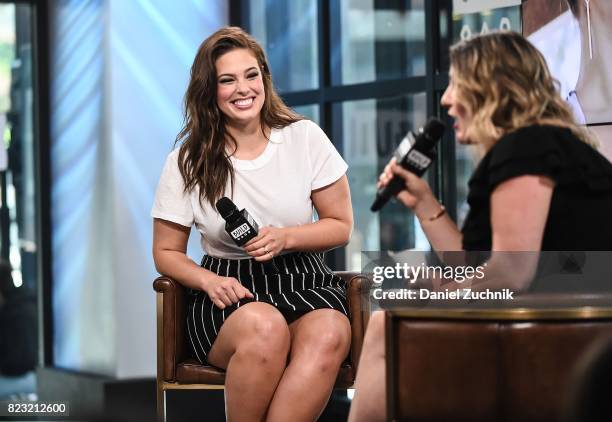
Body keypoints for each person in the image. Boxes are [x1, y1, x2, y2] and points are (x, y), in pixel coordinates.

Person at [348, 31, 612, 422]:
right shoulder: (535, 145)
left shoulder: (526, 147)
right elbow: (478, 261)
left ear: (491, 88)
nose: (446, 99)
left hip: (563, 326)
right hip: (555, 317)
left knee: (389, 323)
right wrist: (423, 203)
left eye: (456, 83)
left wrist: (446, 290)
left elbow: (512, 271)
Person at [151, 27, 353, 421]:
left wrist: (286, 238)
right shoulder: (185, 161)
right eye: (227, 80)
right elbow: (165, 252)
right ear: (210, 90)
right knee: (266, 327)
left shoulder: (304, 137)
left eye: (251, 75)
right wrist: (209, 282)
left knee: (331, 333)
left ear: (264, 77)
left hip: (305, 282)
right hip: (228, 293)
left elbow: (340, 224)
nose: (243, 89)